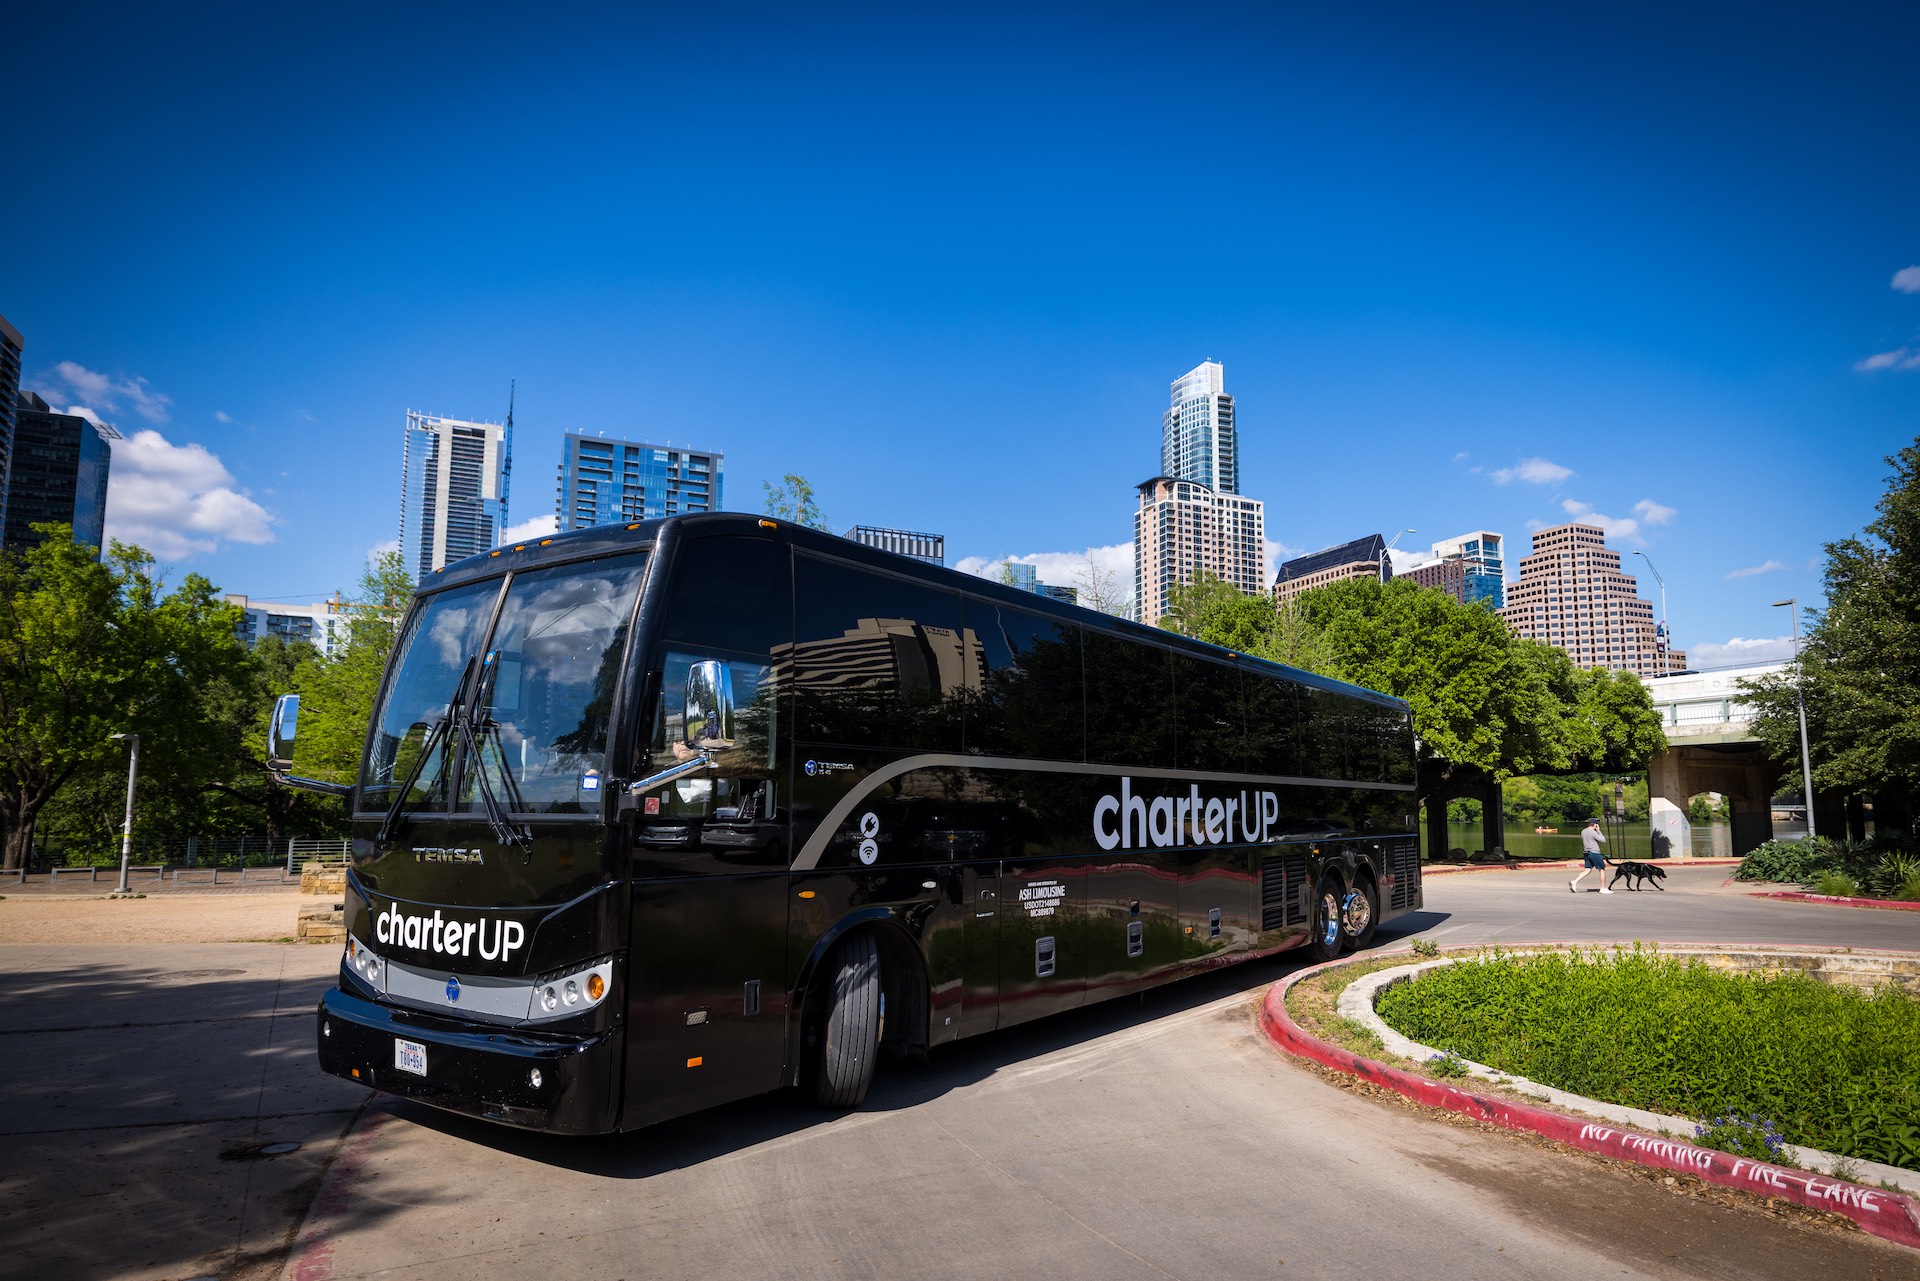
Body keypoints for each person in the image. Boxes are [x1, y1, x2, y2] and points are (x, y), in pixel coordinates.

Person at [1570, 817, 1611, 893]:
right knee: (1602, 869)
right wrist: (1598, 831)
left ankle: (1574, 882)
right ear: (1594, 824)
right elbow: (1603, 840)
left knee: (1588, 870)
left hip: (1587, 853)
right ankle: (1603, 888)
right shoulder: (1592, 832)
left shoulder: (1583, 831)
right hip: (1594, 852)